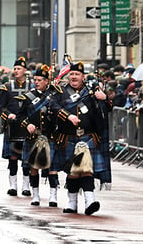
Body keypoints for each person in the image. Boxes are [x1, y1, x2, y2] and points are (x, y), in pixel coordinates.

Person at [49, 61, 111, 215]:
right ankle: (72, 203)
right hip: (68, 136)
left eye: (77, 74)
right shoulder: (61, 92)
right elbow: (54, 107)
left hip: (88, 136)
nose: (74, 77)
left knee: (86, 169)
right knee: (72, 171)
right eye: (72, 74)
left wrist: (104, 98)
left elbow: (107, 108)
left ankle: (90, 200)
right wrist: (68, 116)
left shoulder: (91, 92)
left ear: (83, 77)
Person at [11, 64, 60, 206]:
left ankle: (53, 196)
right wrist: (27, 124)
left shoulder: (54, 95)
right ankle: (36, 195)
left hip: (49, 135)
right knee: (33, 167)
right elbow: (19, 117)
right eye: (35, 79)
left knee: (52, 168)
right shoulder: (28, 97)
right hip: (33, 137)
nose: (36, 82)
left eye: (40, 80)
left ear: (47, 81)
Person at [0, 57, 32, 197]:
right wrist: (8, 115)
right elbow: (0, 108)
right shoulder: (6, 87)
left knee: (26, 158)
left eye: (19, 69)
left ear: (25, 70)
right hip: (12, 127)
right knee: (12, 158)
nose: (17, 71)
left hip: (26, 126)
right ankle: (13, 185)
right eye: (15, 68)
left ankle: (26, 186)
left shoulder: (32, 87)